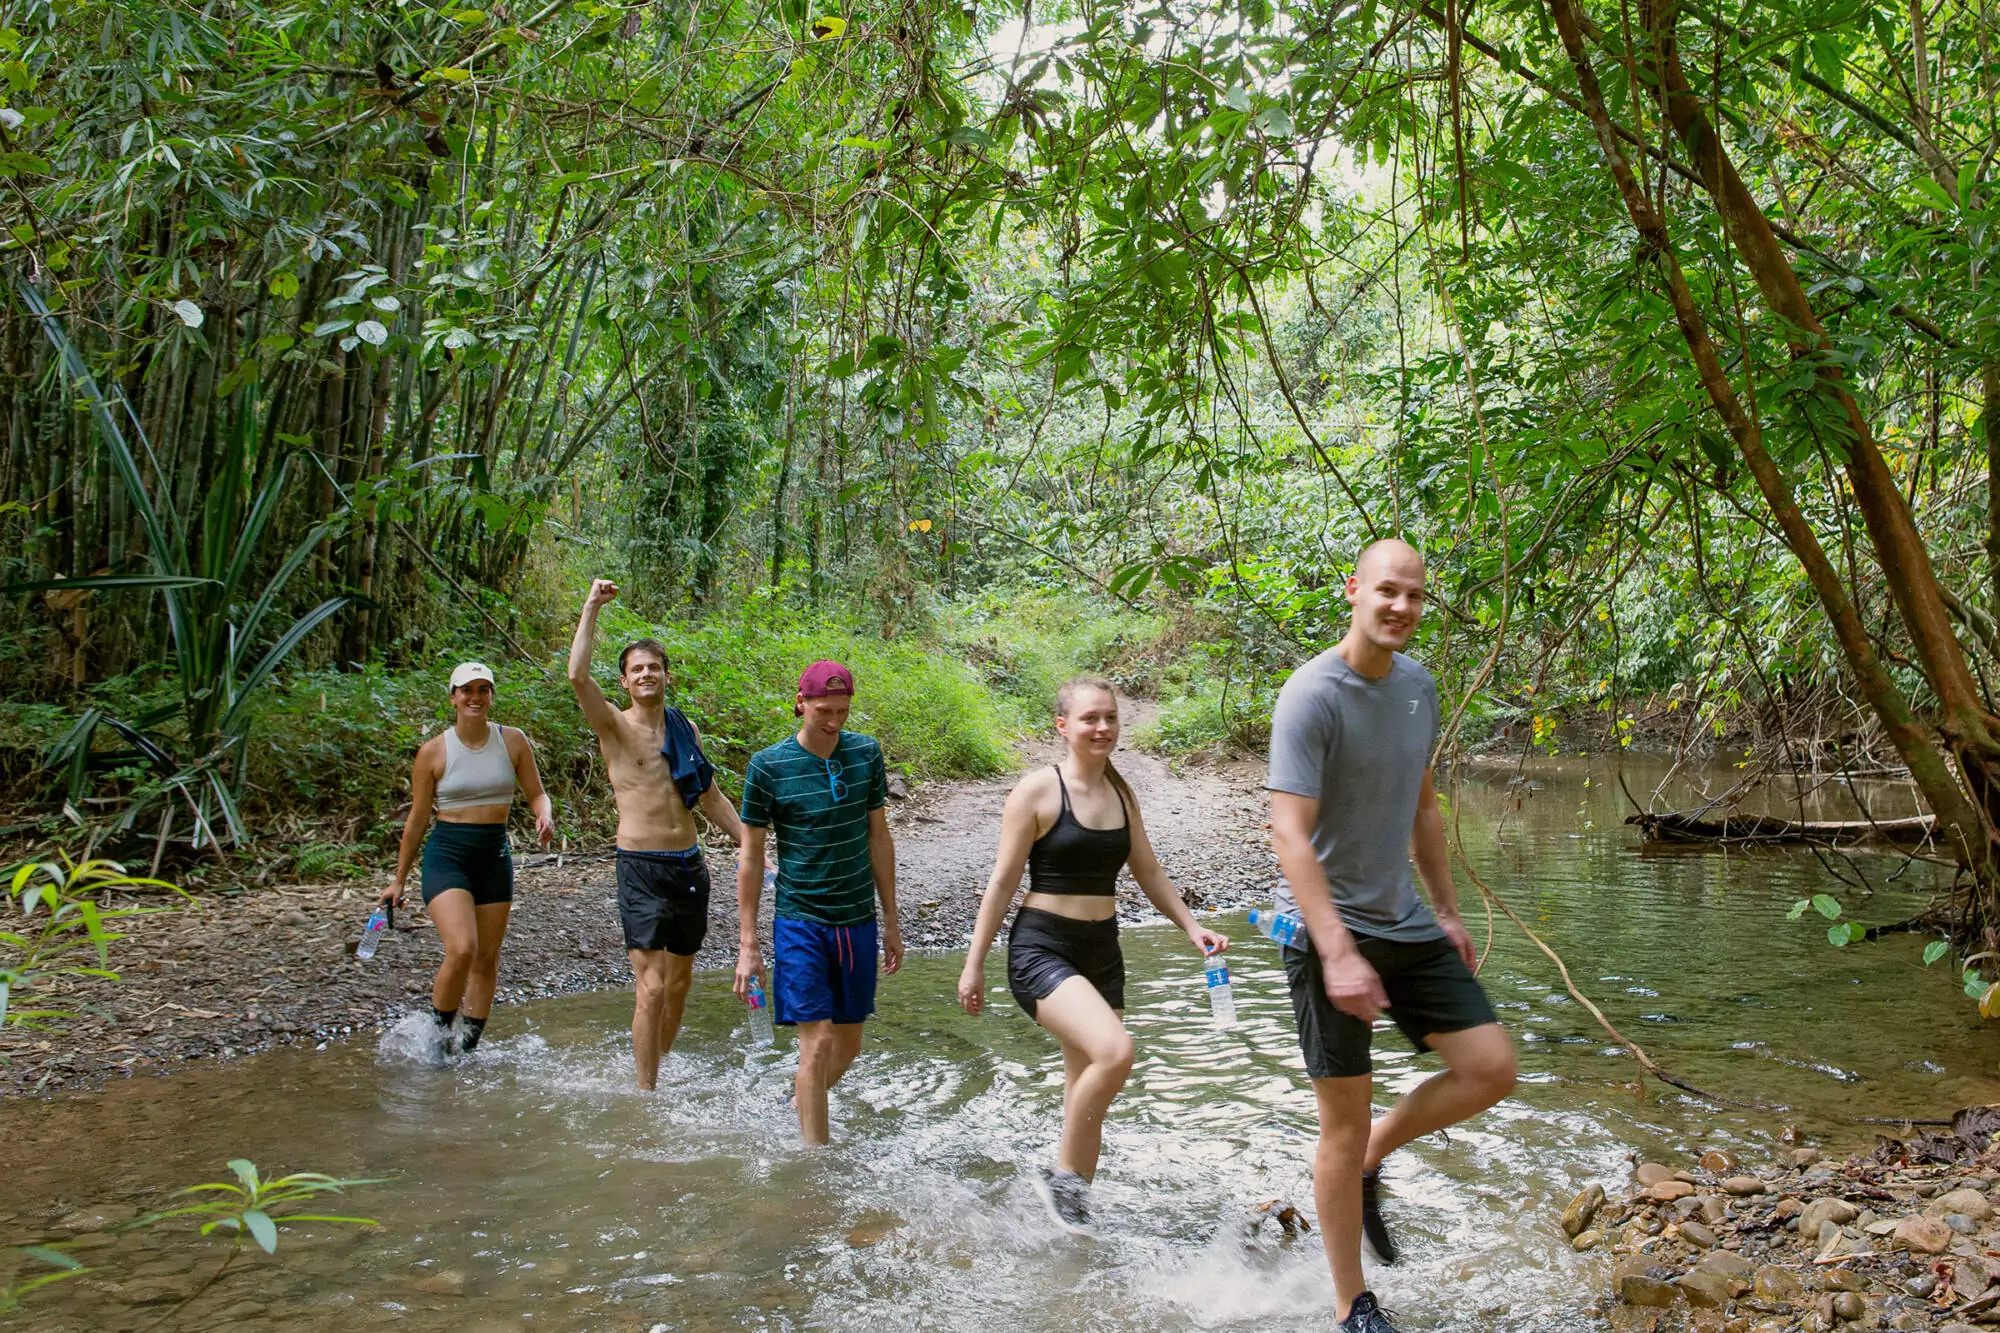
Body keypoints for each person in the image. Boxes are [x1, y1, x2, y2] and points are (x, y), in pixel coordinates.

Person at [1266, 538, 1518, 1333]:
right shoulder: (1312, 694)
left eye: (1413, 596)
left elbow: (1422, 807)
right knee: (1339, 1118)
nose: (1401, 607)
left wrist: (1445, 909)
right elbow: (1288, 834)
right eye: (1387, 592)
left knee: (1490, 1067)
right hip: (1326, 933)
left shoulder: (1417, 687)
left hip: (1406, 922)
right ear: (1354, 591)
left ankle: (1374, 1153)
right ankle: (1353, 1304)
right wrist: (1337, 950)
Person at [957, 677, 1229, 1235]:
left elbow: (1147, 870)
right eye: (1089, 719)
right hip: (1042, 947)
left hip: (1103, 950)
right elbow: (1003, 881)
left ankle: (1071, 1226)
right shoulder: (1037, 791)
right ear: (1063, 726)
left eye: (1109, 718)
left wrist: (1191, 926)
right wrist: (973, 962)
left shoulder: (1122, 793)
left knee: (1088, 1089)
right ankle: (1062, 1173)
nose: (1102, 727)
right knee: (1115, 1053)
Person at [568, 578, 751, 1091]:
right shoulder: (614, 727)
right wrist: (591, 609)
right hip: (641, 867)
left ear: (666, 676)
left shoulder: (683, 729)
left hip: (689, 865)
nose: (646, 674)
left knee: (678, 984)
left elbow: (710, 796)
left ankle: (657, 1067)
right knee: (649, 989)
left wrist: (749, 843)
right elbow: (578, 677)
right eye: (637, 669)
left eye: (653, 667)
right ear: (625, 681)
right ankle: (645, 1096)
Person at [733, 660, 904, 1145]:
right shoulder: (769, 765)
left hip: (856, 918)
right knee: (818, 1042)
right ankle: (816, 1166)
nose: (833, 722)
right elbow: (751, 856)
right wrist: (748, 943)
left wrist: (891, 919)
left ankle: (798, 1102)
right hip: (799, 919)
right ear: (800, 703)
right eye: (823, 711)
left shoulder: (866, 753)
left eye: (843, 712)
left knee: (847, 1046)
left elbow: (879, 838)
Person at [384, 661, 555, 1054]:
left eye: (483, 690)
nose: (475, 697)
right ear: (453, 697)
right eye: (467, 690)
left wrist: (543, 814)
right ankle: (438, 1042)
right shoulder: (433, 752)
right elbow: (417, 820)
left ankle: (468, 1047)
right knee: (462, 948)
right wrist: (399, 879)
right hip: (448, 854)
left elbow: (536, 792)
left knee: (486, 957)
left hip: (494, 854)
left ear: (491, 696)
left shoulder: (512, 741)